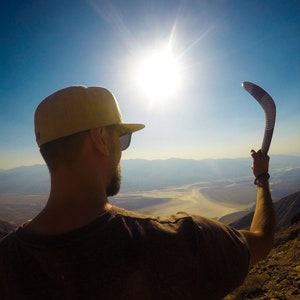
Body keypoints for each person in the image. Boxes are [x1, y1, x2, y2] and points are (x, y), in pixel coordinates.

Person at [0, 86, 275, 300]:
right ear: (101, 139)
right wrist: (261, 178)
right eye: (122, 138)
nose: (122, 150)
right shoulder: (180, 241)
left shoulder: (6, 261)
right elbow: (262, 240)